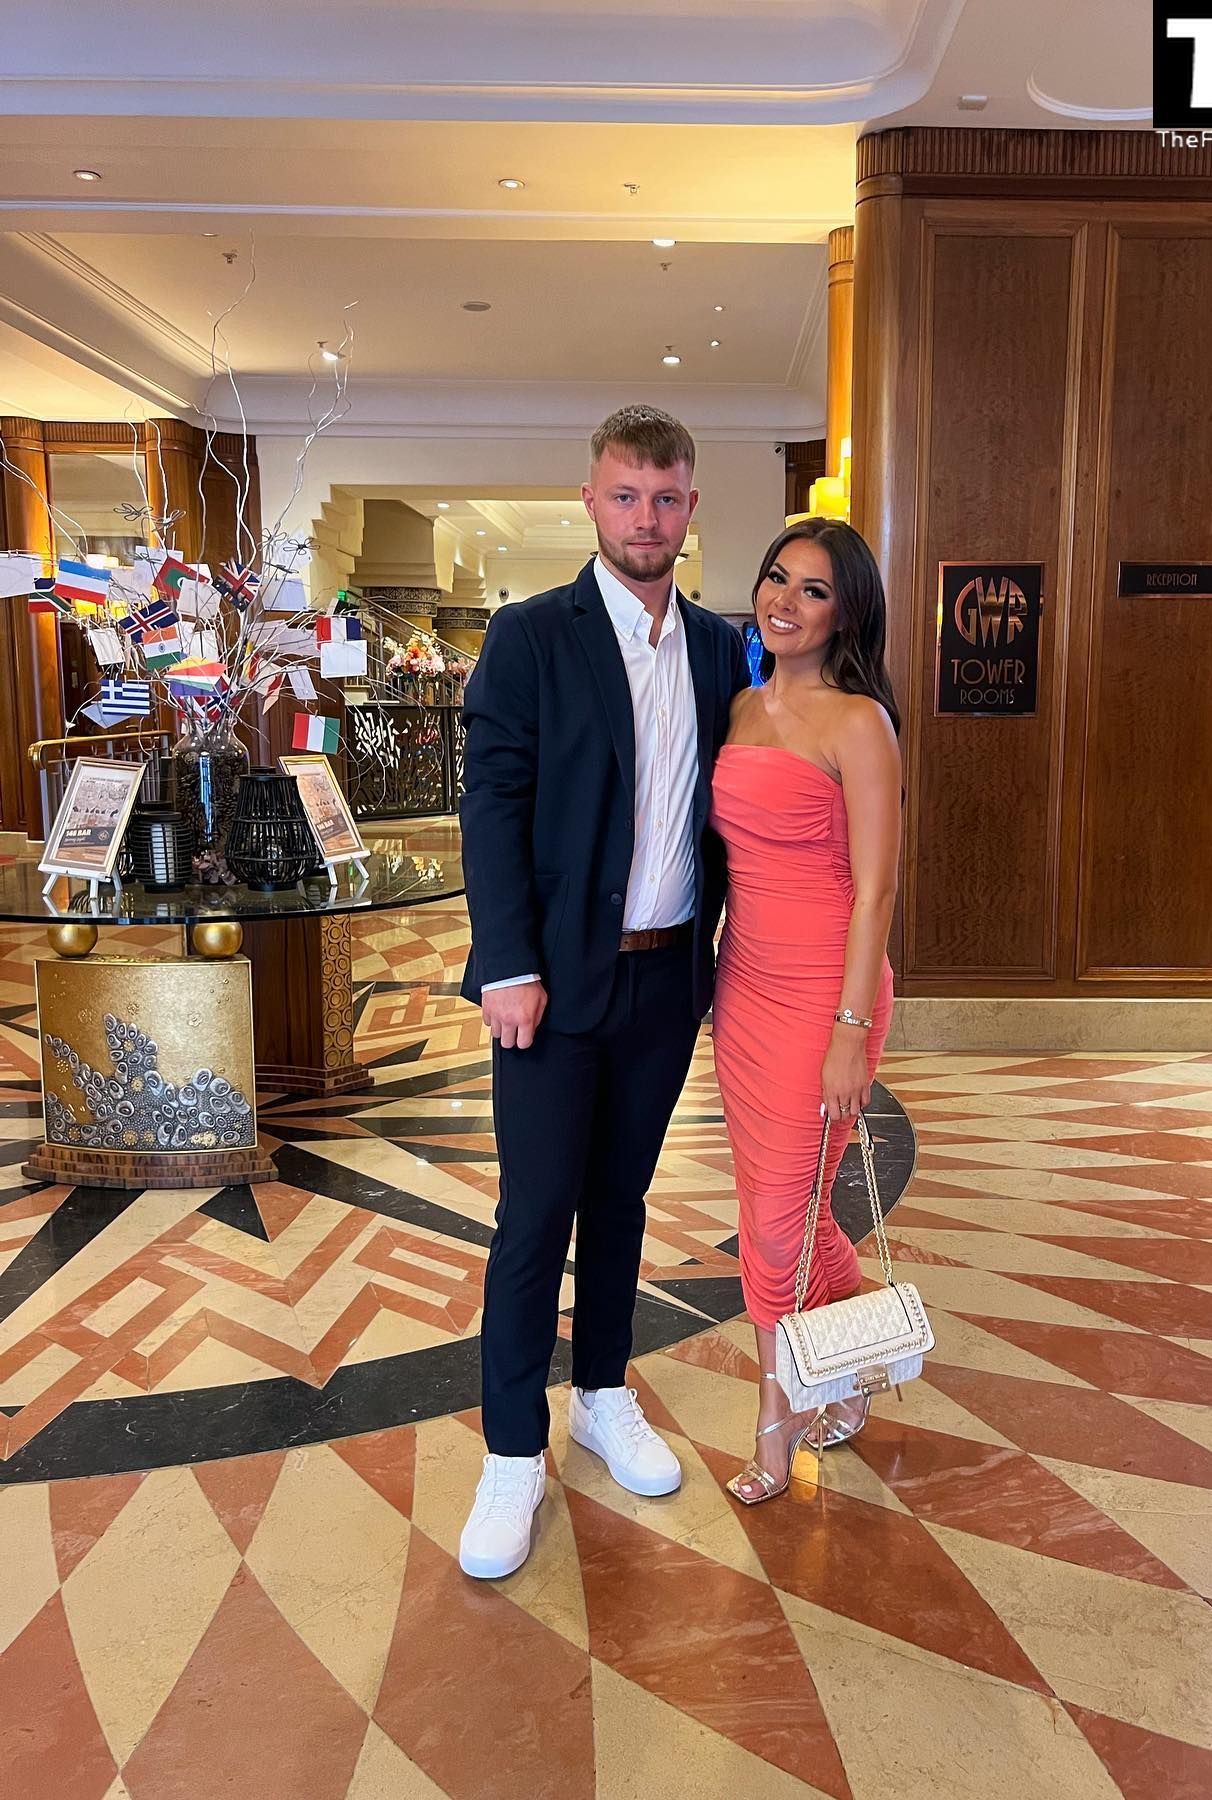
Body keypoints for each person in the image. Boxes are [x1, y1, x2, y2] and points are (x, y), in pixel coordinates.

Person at [456, 406, 749, 1577]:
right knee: (535, 1216)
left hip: (666, 978)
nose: (646, 518)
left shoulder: (721, 649)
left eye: (666, 498)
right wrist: (507, 963)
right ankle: (510, 1453)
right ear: (591, 500)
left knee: (621, 1201)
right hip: (551, 983)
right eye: (626, 495)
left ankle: (601, 1394)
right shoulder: (530, 636)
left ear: (690, 507)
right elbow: (492, 807)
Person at [709, 518, 902, 1503]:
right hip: (743, 988)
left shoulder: (859, 723)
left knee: (778, 1228)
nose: (784, 601)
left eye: (813, 589)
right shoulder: (741, 706)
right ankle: (856, 1357)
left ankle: (776, 1420)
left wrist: (850, 1034)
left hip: (827, 996)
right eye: (776, 577)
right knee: (779, 1207)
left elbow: (876, 892)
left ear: (845, 613)